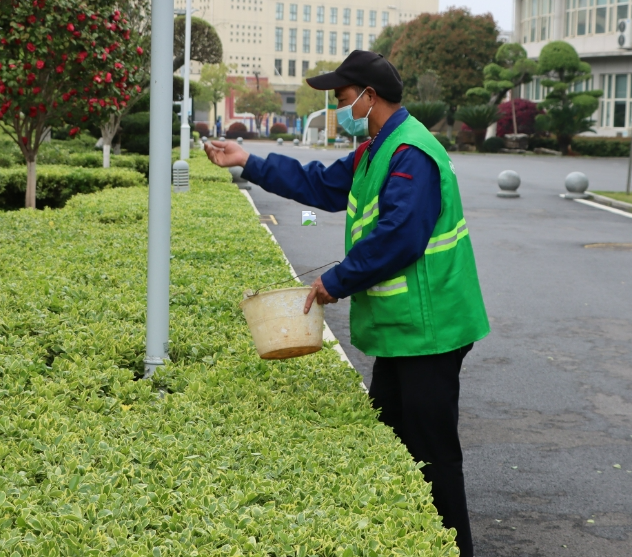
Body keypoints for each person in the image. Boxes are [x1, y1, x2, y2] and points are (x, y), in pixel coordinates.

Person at [204, 50, 489, 557]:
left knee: (433, 454)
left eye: (342, 98)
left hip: (431, 328)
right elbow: (319, 184)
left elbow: (399, 236)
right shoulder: (375, 150)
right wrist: (248, 160)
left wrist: (336, 280)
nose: (339, 107)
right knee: (392, 441)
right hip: (405, 331)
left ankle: (454, 549)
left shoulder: (411, 154)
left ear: (369, 96)